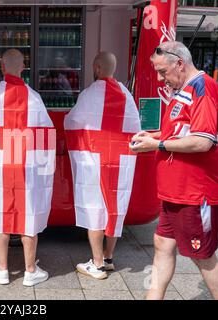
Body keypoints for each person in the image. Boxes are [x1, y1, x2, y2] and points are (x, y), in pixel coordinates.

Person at [130, 40, 218, 300]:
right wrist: (154, 135)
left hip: (194, 194)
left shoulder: (203, 89)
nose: (161, 79)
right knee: (162, 244)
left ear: (180, 63)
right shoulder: (186, 90)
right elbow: (181, 132)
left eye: (163, 72)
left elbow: (203, 141)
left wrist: (157, 143)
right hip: (176, 192)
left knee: (202, 256)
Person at [0, 49, 56, 287]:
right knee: (29, 216)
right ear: (22, 68)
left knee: (0, 216)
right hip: (27, 167)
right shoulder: (34, 98)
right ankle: (30, 270)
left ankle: (3, 269)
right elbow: (46, 138)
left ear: (2, 67)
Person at [64, 52, 141, 280]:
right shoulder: (127, 95)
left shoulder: (88, 95)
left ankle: (96, 264)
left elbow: (73, 121)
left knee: (94, 207)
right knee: (114, 207)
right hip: (120, 162)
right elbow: (135, 127)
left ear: (97, 68)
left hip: (94, 161)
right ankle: (108, 257)